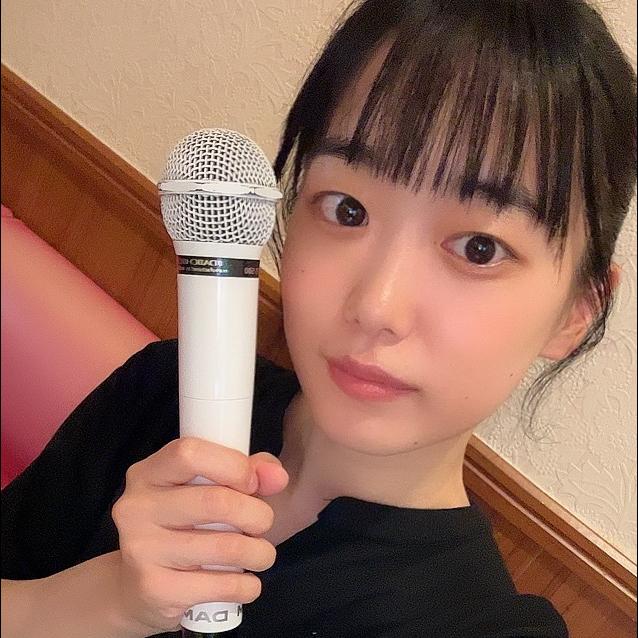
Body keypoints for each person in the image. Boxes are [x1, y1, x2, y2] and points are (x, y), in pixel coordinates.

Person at [2, 1, 636, 637]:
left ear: (576, 312)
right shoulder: (161, 390)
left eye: (479, 248)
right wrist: (111, 601)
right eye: (346, 209)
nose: (375, 306)